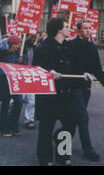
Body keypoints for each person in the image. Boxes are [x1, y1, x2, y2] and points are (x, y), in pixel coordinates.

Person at [33, 18, 77, 166]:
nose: (69, 28)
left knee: (69, 125)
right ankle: (45, 159)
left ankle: (62, 155)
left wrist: (85, 75)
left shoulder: (68, 47)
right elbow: (36, 71)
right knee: (46, 128)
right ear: (59, 30)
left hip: (65, 94)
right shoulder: (43, 49)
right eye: (66, 26)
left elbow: (74, 68)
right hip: (48, 96)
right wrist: (48, 73)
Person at [68, 20, 104, 162]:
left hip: (86, 86)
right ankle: (88, 150)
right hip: (73, 87)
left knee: (74, 118)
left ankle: (60, 136)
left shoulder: (92, 46)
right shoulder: (71, 45)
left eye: (89, 28)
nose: (88, 30)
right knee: (83, 118)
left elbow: (96, 67)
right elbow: (67, 65)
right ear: (78, 30)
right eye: (85, 28)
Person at [0, 35, 24, 138]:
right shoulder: (3, 53)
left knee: (18, 102)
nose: (17, 46)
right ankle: (4, 129)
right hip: (5, 80)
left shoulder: (20, 54)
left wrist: (21, 61)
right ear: (10, 44)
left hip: (15, 79)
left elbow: (23, 66)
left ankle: (13, 125)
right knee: (5, 103)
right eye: (15, 44)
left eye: (18, 44)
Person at [22, 34, 37, 129]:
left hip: (32, 76)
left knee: (32, 100)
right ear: (26, 36)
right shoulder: (20, 49)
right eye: (31, 37)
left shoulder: (37, 49)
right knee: (18, 99)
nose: (33, 39)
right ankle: (11, 115)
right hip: (21, 75)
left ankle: (29, 119)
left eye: (35, 37)